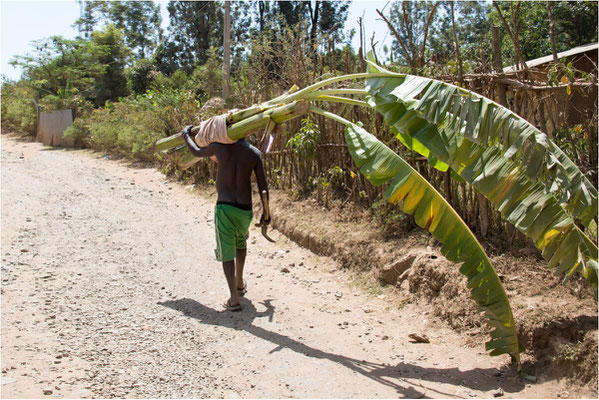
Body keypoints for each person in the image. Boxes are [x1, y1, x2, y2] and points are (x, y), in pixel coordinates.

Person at [181, 125, 270, 311]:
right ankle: (239, 281)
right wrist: (266, 213)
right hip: (245, 210)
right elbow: (263, 188)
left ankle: (234, 298)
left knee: (226, 249)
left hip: (225, 207)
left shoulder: (219, 148)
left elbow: (196, 152)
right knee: (240, 242)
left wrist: (185, 136)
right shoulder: (254, 153)